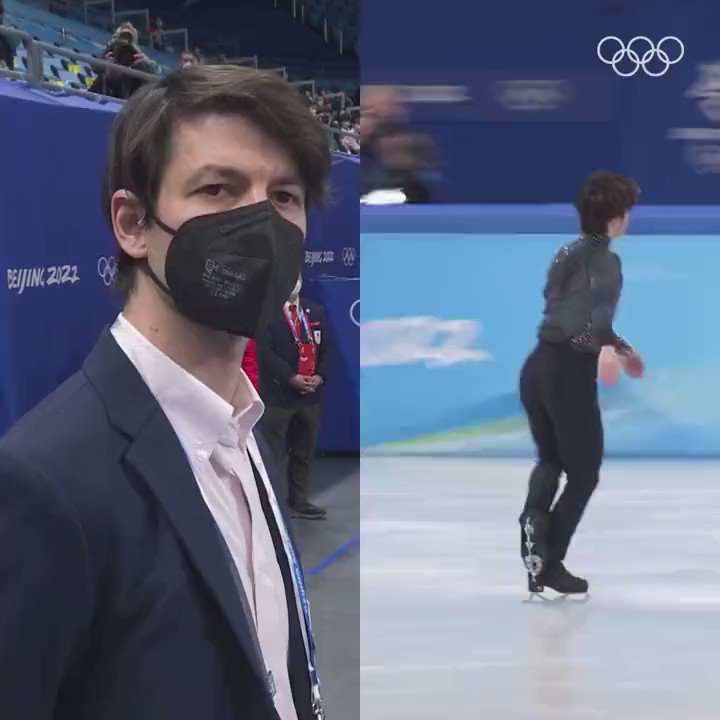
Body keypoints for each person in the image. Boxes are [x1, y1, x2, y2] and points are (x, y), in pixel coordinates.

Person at [0, 64, 331, 720]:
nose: (260, 222)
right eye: (218, 189)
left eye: (284, 196)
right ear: (132, 224)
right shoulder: (44, 483)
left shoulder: (246, 433)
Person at [519, 170, 645, 595]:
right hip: (568, 374)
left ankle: (535, 533)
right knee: (584, 473)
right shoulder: (606, 260)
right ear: (614, 218)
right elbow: (598, 318)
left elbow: (564, 314)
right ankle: (548, 563)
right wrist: (609, 348)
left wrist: (621, 349)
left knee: (550, 460)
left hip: (537, 368)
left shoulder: (565, 253)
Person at [257, 278, 333, 520]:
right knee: (272, 453)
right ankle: (270, 504)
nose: (294, 282)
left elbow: (327, 348)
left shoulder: (315, 311)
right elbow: (265, 352)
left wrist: (320, 376)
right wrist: (290, 378)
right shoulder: (266, 312)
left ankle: (298, 502)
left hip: (310, 396)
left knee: (304, 451)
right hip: (279, 396)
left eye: (298, 277)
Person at [90, 22, 159, 99]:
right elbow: (94, 67)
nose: (124, 41)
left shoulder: (139, 64)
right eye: (120, 37)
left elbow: (158, 82)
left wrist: (149, 65)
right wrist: (107, 68)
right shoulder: (107, 55)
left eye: (128, 39)